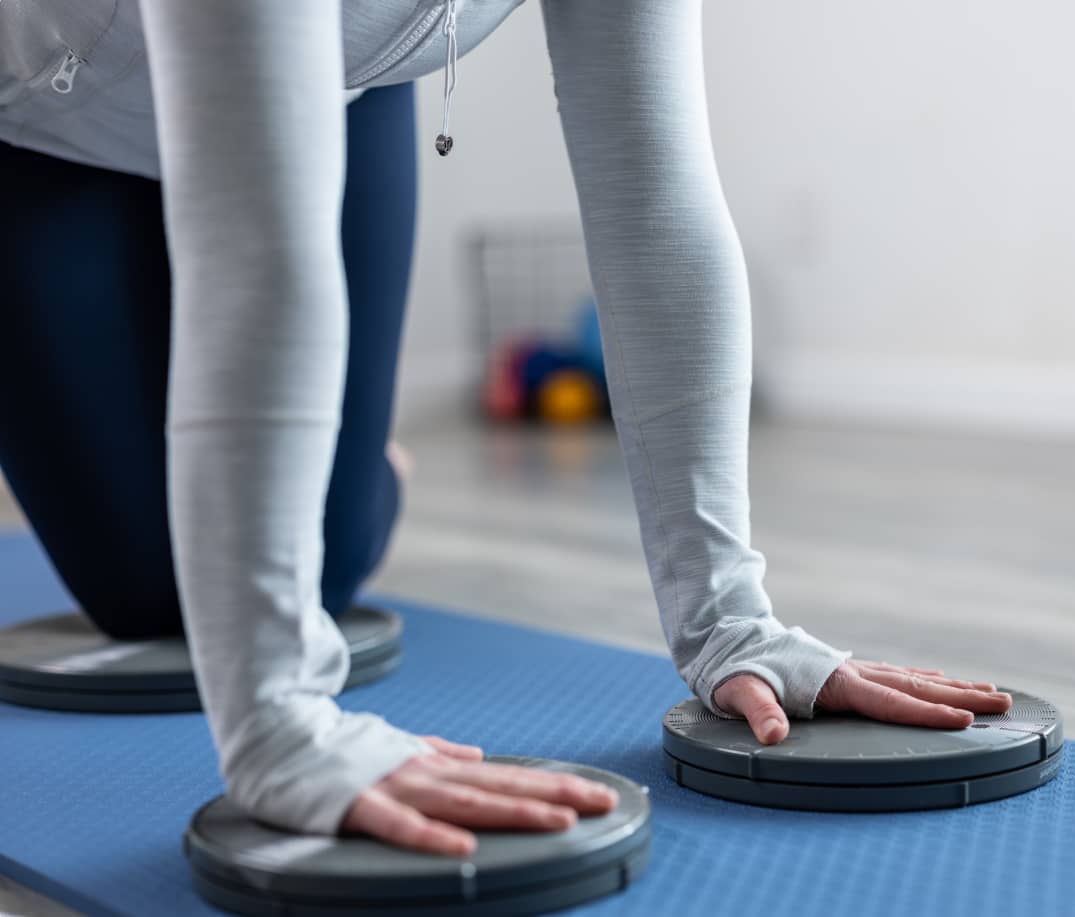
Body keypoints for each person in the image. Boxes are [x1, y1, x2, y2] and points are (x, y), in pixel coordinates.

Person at [0, 0, 1014, 859]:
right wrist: (275, 723)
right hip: (43, 122)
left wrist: (727, 617)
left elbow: (653, 190)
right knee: (145, 594)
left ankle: (359, 470)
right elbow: (253, 240)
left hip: (335, 79)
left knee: (329, 560)